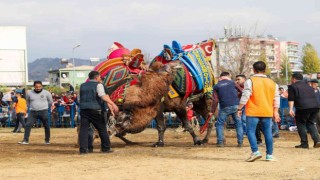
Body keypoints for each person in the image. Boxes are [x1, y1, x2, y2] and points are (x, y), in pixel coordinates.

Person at [237, 61, 280, 162]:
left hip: (253, 111)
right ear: (265, 70)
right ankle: (269, 155)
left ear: (254, 70)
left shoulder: (250, 81)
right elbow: (276, 98)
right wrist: (276, 111)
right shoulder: (273, 83)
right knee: (268, 132)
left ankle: (255, 151)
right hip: (267, 111)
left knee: (250, 131)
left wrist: (239, 108)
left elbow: (246, 96)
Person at [78, 71, 119, 154]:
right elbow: (102, 95)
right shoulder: (98, 85)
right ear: (96, 78)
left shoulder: (82, 85)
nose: (100, 78)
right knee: (102, 129)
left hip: (84, 110)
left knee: (83, 130)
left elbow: (79, 98)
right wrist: (112, 103)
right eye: (100, 77)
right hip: (95, 110)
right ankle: (106, 148)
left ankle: (83, 149)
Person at [288, 74, 320, 149]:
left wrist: (290, 109)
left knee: (301, 124)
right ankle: (317, 140)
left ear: (293, 79)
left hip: (303, 108)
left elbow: (291, 99)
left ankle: (304, 143)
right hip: (315, 107)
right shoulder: (309, 87)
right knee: (311, 123)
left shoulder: (292, 86)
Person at [214, 72, 243, 147]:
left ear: (220, 77)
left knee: (219, 124)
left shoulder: (216, 86)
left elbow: (216, 100)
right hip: (235, 106)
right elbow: (242, 91)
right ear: (228, 76)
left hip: (224, 107)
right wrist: (236, 96)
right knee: (238, 124)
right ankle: (240, 142)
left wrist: (211, 111)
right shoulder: (232, 83)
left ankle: (220, 142)